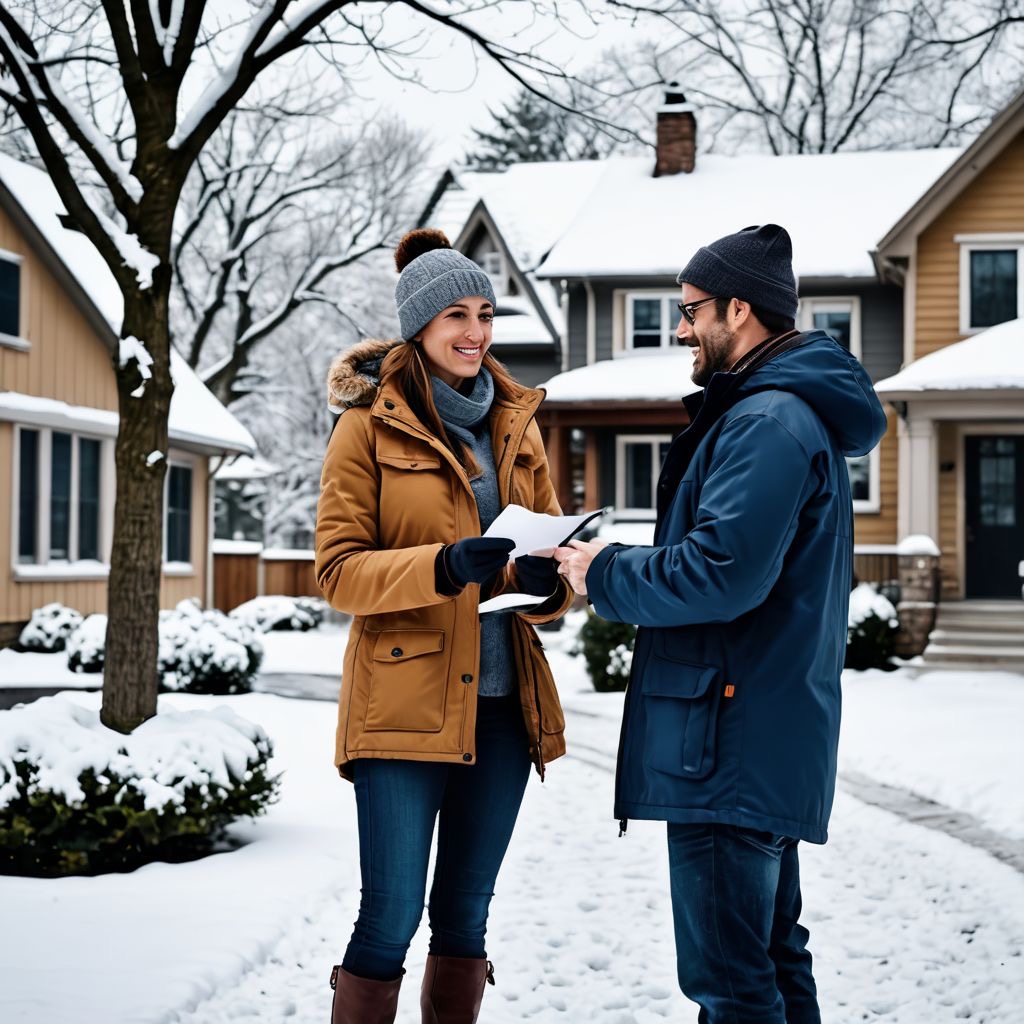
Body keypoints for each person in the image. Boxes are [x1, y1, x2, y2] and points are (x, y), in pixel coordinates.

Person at [553, 224, 887, 1023]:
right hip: (752, 736)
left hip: (727, 746)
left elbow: (721, 573)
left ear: (739, 309)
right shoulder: (779, 415)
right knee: (770, 963)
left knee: (732, 986)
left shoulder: (766, 422)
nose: (678, 329)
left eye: (690, 309)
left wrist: (604, 572)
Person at [315, 228, 573, 1024]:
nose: (475, 332)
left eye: (485, 314)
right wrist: (442, 566)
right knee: (390, 914)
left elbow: (544, 555)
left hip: (502, 709)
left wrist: (540, 583)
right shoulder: (367, 425)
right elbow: (338, 571)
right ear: (419, 326)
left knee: (465, 917)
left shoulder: (517, 424)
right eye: (456, 315)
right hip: (402, 707)